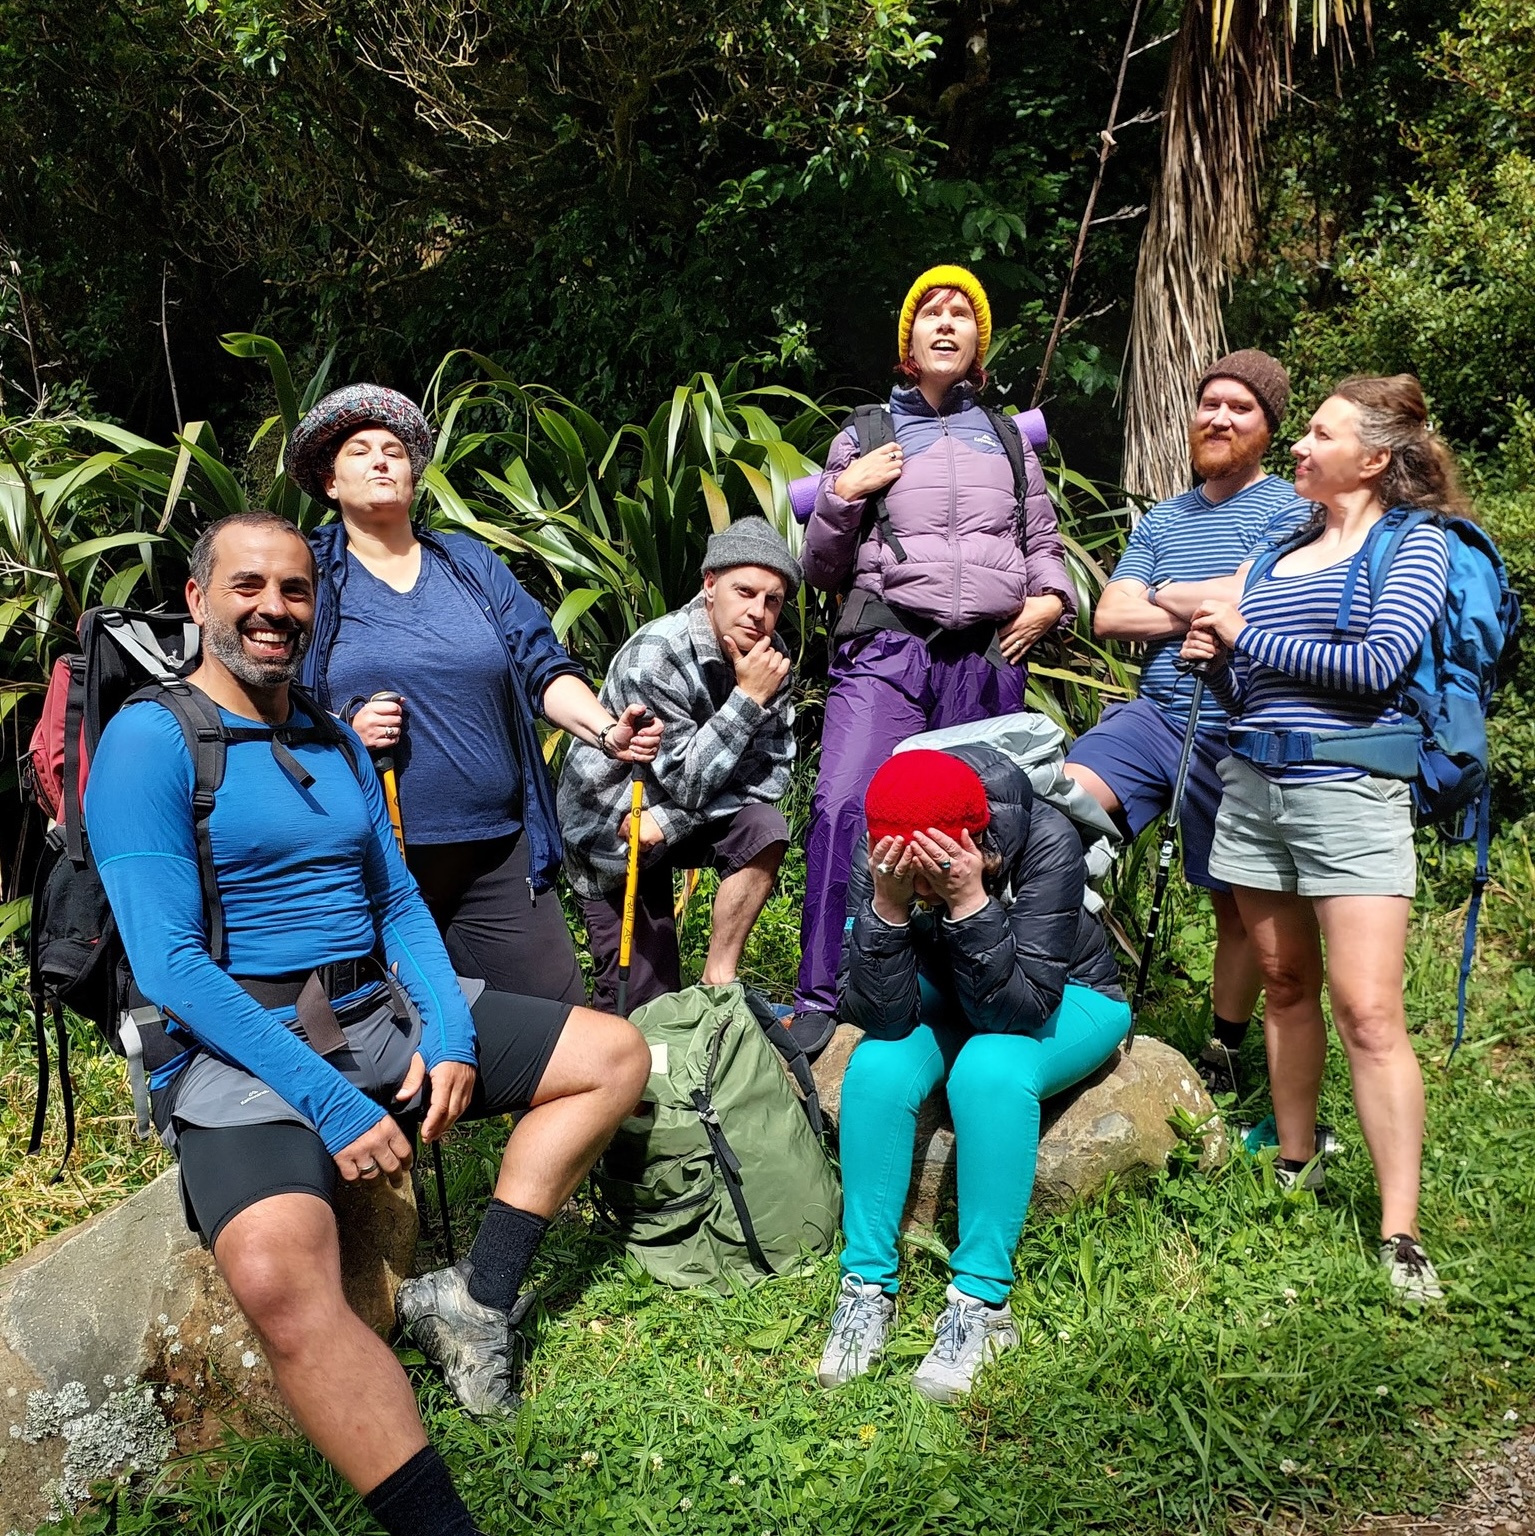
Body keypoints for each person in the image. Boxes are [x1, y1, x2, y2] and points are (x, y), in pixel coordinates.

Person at [85, 512, 652, 1536]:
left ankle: (475, 1299)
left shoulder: (329, 731)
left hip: (371, 1011)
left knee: (611, 1052)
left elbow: (395, 904)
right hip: (234, 1047)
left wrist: (444, 1031)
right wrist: (332, 1108)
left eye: (295, 590)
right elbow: (171, 966)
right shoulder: (148, 741)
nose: (273, 610)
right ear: (197, 599)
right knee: (275, 1279)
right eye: (248, 586)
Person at [1180, 374, 1456, 1303]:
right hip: (1251, 786)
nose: (1297, 447)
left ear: (1372, 459)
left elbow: (1376, 664)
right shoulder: (1275, 549)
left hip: (1349, 791)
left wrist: (1243, 635)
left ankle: (1399, 1230)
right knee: (1286, 985)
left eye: (1317, 433)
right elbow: (1249, 689)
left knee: (1368, 1013)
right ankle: (1295, 1157)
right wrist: (1214, 664)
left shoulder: (1412, 546)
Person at [289, 384, 662, 1004]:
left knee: (567, 1034)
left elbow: (541, 663)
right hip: (375, 860)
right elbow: (265, 689)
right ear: (330, 483)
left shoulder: (469, 563)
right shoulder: (309, 571)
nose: (381, 459)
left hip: (498, 852)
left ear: (413, 476)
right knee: (395, 1050)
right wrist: (339, 729)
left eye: (394, 450)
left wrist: (606, 732)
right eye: (359, 451)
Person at [792, 265, 1078, 1054]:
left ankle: (964, 984)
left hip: (984, 655)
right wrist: (844, 492)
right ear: (908, 344)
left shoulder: (1005, 440)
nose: (945, 323)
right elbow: (820, 569)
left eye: (961, 314)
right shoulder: (864, 434)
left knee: (978, 823)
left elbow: (1041, 544)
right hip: (885, 646)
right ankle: (823, 991)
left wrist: (1052, 600)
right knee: (845, 805)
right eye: (930, 313)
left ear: (977, 342)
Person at [817, 747, 1128, 1401]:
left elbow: (1014, 1012)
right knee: (875, 1065)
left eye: (928, 872)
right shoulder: (881, 845)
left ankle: (981, 1304)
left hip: (1064, 993)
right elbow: (878, 1012)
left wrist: (966, 902)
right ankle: (866, 1287)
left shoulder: (1046, 838)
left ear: (971, 837)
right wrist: (888, 907)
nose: (920, 888)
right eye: (909, 873)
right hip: (952, 991)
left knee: (986, 1071)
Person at [1063, 350, 1308, 1092]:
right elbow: (1108, 613)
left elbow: (1252, 600)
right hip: (1155, 716)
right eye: (1210, 404)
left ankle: (1224, 1050)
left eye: (1241, 408)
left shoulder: (1293, 512)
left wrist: (1165, 592)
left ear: (1267, 428)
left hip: (1238, 729)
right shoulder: (1165, 516)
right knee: (1057, 809)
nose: (1219, 418)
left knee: (1234, 904)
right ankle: (1065, 993)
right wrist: (1201, 598)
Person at [558, 518, 799, 1011]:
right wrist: (748, 699)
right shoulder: (658, 654)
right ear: (710, 585)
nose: (758, 612)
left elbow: (773, 775)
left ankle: (719, 979)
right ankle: (611, 1077)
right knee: (643, 997)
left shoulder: (772, 660)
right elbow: (687, 781)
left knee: (764, 827)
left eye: (772, 600)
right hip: (613, 825)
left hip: (666, 816)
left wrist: (666, 824)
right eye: (745, 591)